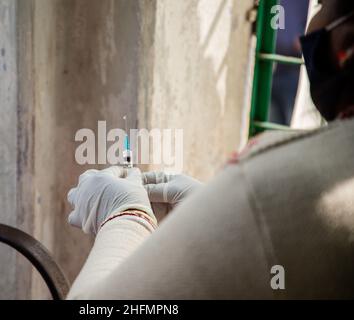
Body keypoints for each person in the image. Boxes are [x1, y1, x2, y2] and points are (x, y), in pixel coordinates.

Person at [66, 0, 354, 299]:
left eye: (320, 3)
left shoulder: (281, 185)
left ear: (347, 42)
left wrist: (124, 220)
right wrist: (221, 218)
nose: (313, 19)